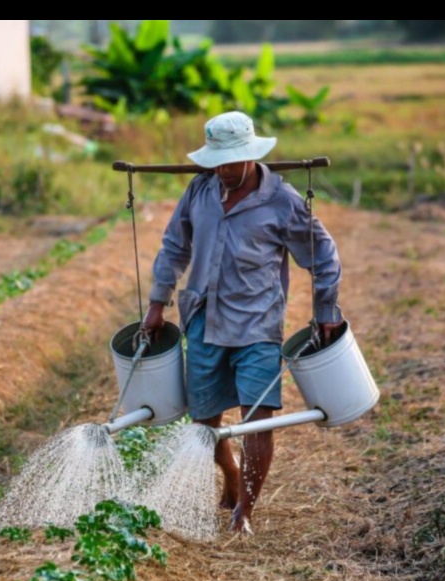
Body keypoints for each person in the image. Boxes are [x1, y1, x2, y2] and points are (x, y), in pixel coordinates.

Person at [142, 111, 345, 536]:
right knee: (205, 424)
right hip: (203, 320)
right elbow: (174, 247)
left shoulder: (282, 201)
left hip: (257, 325)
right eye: (218, 161)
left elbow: (323, 256)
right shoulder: (199, 190)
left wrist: (326, 311)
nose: (224, 170)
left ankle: (244, 513)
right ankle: (231, 476)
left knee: (258, 418)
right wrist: (157, 303)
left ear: (252, 156)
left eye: (232, 162)